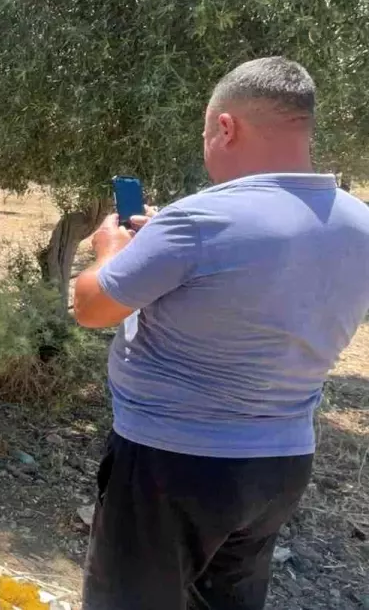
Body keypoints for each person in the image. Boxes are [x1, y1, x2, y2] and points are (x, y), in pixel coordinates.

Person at [73, 57, 369, 609]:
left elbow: (91, 307)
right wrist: (164, 244)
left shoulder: (200, 220)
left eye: (207, 134)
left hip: (172, 462)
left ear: (226, 128)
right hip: (281, 467)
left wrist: (111, 250)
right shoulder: (359, 224)